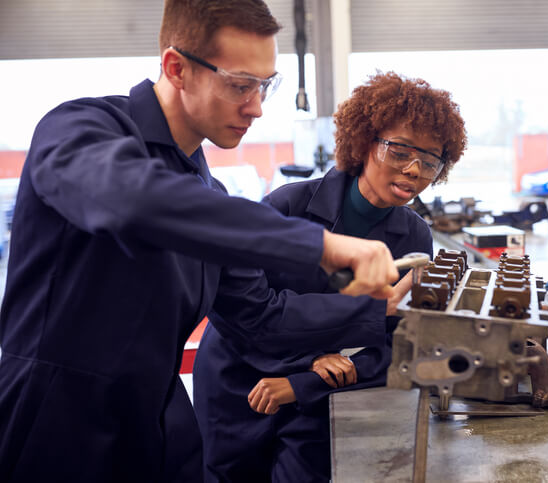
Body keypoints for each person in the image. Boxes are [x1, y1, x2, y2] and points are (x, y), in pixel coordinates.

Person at [0, 1, 401, 482]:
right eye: (240, 85)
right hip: (54, 421)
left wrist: (379, 310)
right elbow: (134, 200)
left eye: (264, 85)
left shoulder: (207, 193)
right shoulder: (80, 131)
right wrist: (320, 244)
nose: (255, 107)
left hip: (159, 418)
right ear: (177, 68)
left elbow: (258, 316)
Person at [193, 71, 468, 482]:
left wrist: (305, 382)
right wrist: (305, 362)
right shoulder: (287, 206)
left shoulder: (413, 236)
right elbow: (237, 308)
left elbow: (401, 343)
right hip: (241, 379)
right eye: (399, 152)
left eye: (429, 162)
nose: (413, 170)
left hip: (319, 392)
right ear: (365, 142)